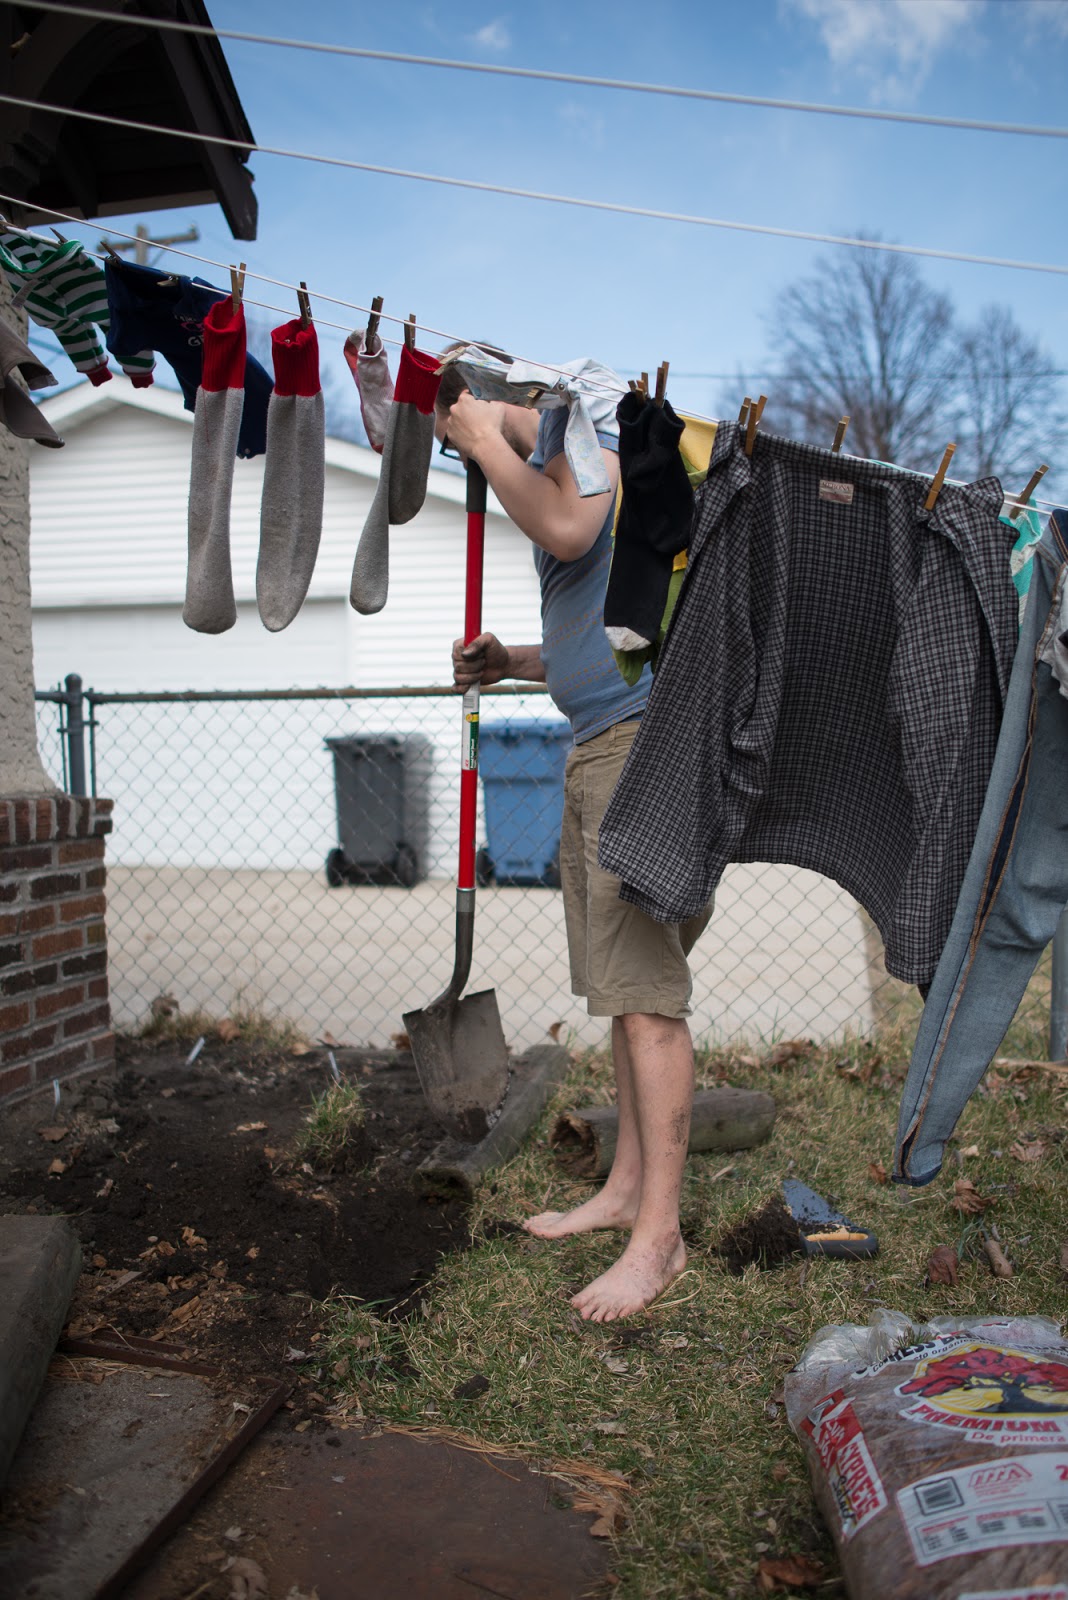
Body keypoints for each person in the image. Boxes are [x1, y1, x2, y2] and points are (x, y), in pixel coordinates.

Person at [436, 349, 711, 1324]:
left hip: (643, 747)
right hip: (601, 743)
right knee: (620, 992)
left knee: (647, 997)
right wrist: (511, 659)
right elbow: (600, 625)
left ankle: (660, 1239)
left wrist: (485, 439)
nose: (460, 442)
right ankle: (628, 1190)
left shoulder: (585, 433)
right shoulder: (558, 460)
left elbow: (568, 525)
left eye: (456, 424)